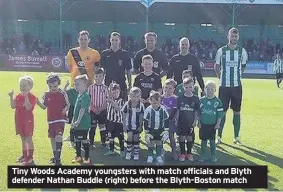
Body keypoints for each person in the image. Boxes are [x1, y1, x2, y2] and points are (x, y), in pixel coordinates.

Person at [214, 27, 248, 145]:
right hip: (224, 87)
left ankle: (236, 137)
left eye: (236, 36)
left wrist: (237, 76)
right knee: (222, 112)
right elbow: (216, 67)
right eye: (232, 36)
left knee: (237, 111)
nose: (234, 38)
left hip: (237, 87)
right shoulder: (221, 51)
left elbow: (243, 66)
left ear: (238, 37)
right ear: (228, 37)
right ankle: (219, 136)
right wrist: (221, 78)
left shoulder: (242, 51)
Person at [37, 73, 70, 166]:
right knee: (52, 138)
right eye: (50, 86)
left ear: (58, 84)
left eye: (55, 86)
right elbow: (44, 107)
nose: (53, 88)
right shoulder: (46, 94)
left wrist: (65, 109)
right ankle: (55, 155)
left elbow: (68, 104)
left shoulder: (62, 93)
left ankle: (58, 159)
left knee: (58, 137)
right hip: (51, 120)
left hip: (60, 119)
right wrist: (38, 102)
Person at [9, 76, 37, 166]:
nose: (22, 87)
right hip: (19, 120)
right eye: (21, 85)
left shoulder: (32, 97)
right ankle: (24, 156)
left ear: (30, 86)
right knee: (23, 139)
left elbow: (28, 108)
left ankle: (30, 157)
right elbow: (13, 106)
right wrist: (11, 96)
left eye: (24, 85)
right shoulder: (18, 95)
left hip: (28, 121)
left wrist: (26, 97)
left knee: (28, 139)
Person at [100, 32, 132, 101]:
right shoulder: (104, 53)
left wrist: (130, 84)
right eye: (113, 40)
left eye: (116, 40)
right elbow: (102, 70)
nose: (114, 42)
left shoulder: (125, 54)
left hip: (122, 84)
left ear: (119, 41)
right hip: (108, 84)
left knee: (123, 106)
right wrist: (101, 84)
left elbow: (128, 71)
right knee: (108, 106)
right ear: (110, 40)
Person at [198, 80, 224, 163]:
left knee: (212, 141)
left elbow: (220, 114)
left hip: (212, 125)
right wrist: (198, 122)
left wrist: (218, 124)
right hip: (203, 124)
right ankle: (203, 155)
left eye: (212, 89)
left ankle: (213, 155)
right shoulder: (201, 100)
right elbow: (198, 113)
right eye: (207, 89)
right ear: (204, 89)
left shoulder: (217, 101)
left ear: (215, 90)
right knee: (203, 140)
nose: (209, 91)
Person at [176, 77, 200, 162]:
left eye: (190, 87)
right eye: (186, 87)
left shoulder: (196, 98)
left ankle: (189, 153)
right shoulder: (180, 98)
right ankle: (182, 153)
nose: (188, 89)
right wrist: (177, 120)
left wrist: (195, 121)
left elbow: (196, 111)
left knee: (189, 137)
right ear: (183, 87)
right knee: (181, 137)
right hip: (181, 122)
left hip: (190, 122)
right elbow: (178, 110)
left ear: (194, 87)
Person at [144, 91, 169, 165]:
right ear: (150, 101)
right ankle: (150, 155)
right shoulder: (148, 109)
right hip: (151, 129)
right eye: (154, 103)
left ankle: (158, 155)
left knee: (159, 142)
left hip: (160, 129)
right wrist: (146, 131)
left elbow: (166, 119)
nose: (156, 104)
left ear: (160, 101)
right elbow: (145, 121)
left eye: (158, 103)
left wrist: (166, 130)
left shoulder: (163, 109)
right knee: (150, 142)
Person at [71, 74, 91, 164]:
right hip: (77, 123)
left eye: (78, 84)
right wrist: (73, 121)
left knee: (83, 139)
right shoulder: (79, 95)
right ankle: (78, 156)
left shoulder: (85, 96)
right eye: (75, 84)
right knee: (77, 140)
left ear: (84, 85)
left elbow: (82, 110)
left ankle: (87, 158)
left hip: (83, 123)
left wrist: (78, 121)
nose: (76, 86)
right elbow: (76, 110)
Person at [122, 87, 145, 161]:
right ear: (130, 96)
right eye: (133, 96)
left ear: (140, 97)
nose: (135, 98)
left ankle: (136, 152)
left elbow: (141, 116)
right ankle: (129, 152)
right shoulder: (127, 104)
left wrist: (141, 126)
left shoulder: (141, 105)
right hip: (129, 125)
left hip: (137, 125)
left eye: (137, 96)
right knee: (129, 137)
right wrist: (124, 125)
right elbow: (124, 115)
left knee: (136, 138)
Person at [88, 68, 108, 148]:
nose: (98, 78)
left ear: (103, 77)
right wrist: (94, 108)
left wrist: (100, 109)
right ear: (94, 77)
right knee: (93, 126)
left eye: (100, 76)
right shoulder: (91, 87)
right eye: (96, 76)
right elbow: (88, 100)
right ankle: (91, 142)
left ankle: (103, 142)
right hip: (93, 110)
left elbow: (107, 101)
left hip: (102, 110)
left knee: (102, 126)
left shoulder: (106, 88)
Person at [104, 83, 125, 157]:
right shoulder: (109, 98)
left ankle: (122, 150)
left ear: (119, 92)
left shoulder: (121, 100)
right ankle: (111, 149)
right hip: (110, 122)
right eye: (113, 92)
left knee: (120, 137)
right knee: (110, 136)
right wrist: (110, 88)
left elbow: (118, 108)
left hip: (118, 123)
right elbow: (108, 94)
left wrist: (112, 102)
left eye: (117, 92)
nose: (115, 94)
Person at [161, 79, 178, 160]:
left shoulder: (175, 98)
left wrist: (171, 119)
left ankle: (174, 152)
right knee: (161, 136)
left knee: (171, 136)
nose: (167, 90)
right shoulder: (160, 97)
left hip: (170, 121)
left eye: (170, 88)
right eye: (166, 87)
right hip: (161, 121)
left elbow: (175, 110)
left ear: (173, 89)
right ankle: (160, 151)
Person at [63, 80, 78, 148]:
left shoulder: (81, 91)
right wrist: (66, 86)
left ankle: (75, 138)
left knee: (77, 124)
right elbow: (63, 93)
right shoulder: (71, 90)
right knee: (72, 123)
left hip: (78, 108)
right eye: (75, 84)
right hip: (72, 109)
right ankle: (72, 139)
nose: (76, 86)